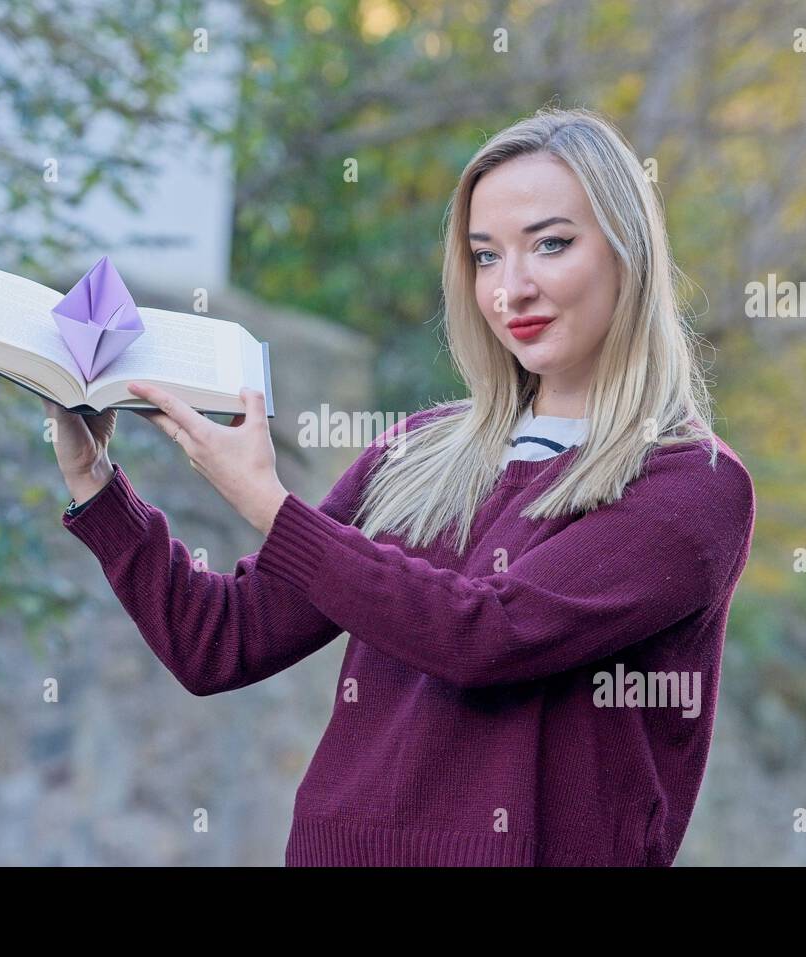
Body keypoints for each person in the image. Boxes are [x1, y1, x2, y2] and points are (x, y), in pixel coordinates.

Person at [42, 106, 755, 867]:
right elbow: (220, 642)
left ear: (628, 253)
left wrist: (267, 504)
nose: (510, 289)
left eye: (550, 244)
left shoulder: (692, 484)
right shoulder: (419, 452)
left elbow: (484, 635)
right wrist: (98, 486)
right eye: (485, 256)